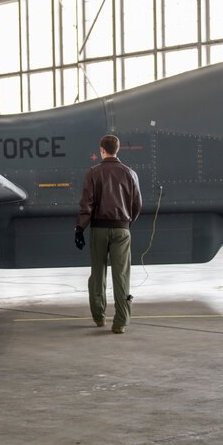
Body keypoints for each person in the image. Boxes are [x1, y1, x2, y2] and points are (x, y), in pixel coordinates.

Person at [75, 134, 142, 334]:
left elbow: (87, 204)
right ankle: (120, 322)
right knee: (121, 275)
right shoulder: (130, 173)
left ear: (101, 150)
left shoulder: (93, 173)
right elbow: (137, 204)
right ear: (117, 149)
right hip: (122, 229)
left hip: (98, 229)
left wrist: (80, 228)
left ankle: (99, 317)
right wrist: (126, 222)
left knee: (98, 274)